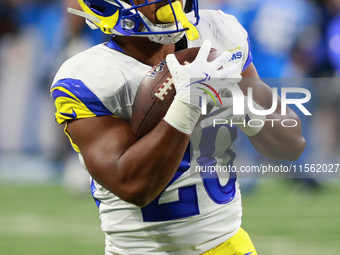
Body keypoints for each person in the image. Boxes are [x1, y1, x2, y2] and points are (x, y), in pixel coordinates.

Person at [50, 0, 305, 254]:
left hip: (228, 245)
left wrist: (238, 103)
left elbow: (292, 144)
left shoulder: (219, 32)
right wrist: (188, 104)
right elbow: (134, 186)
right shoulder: (87, 76)